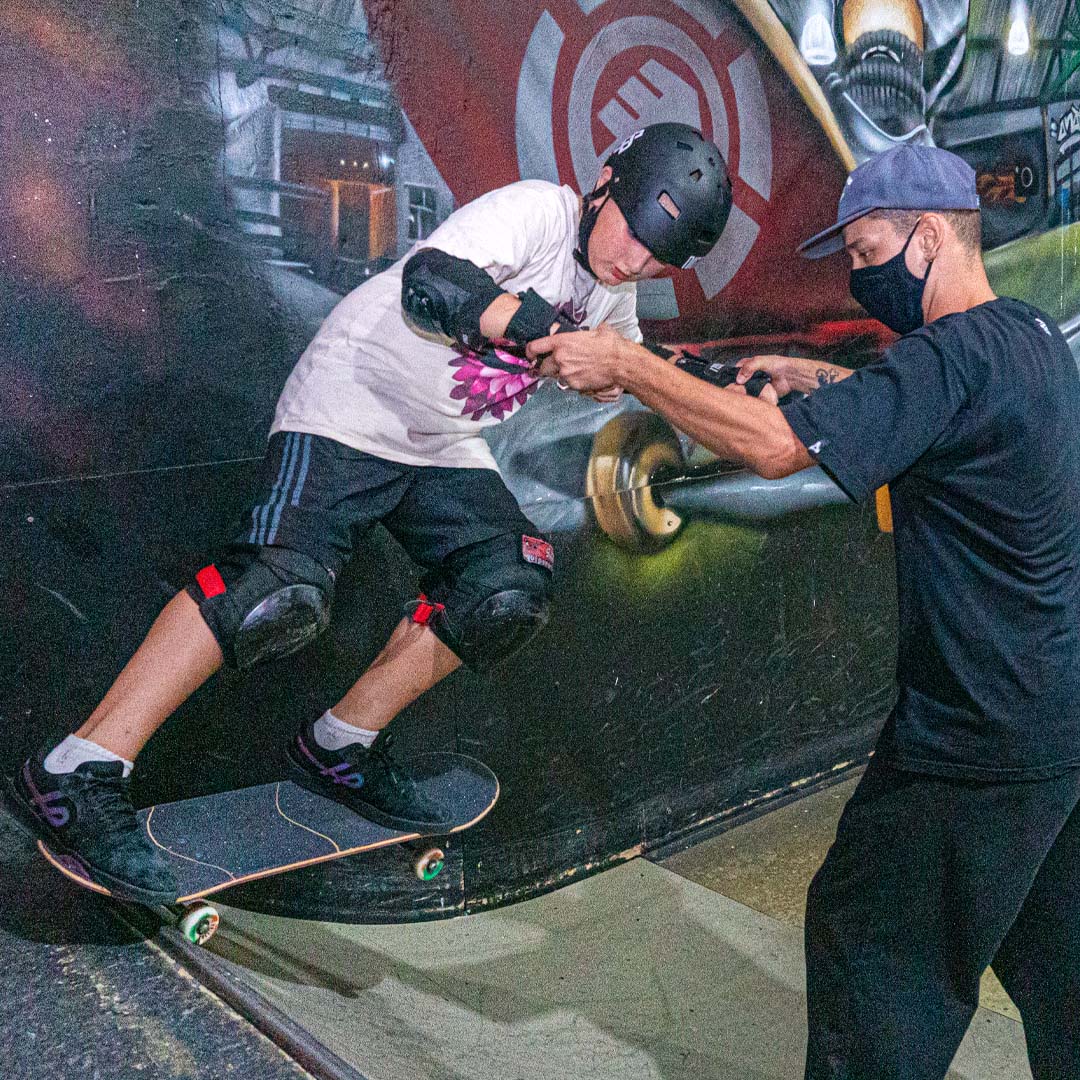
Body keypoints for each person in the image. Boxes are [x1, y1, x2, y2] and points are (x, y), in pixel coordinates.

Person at [5, 122, 733, 905]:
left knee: (506, 584)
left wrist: (729, 382)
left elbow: (631, 368)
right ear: (603, 185)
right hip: (351, 402)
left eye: (660, 257)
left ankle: (339, 746)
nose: (632, 259)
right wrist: (552, 334)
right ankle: (77, 769)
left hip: (439, 441)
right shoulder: (537, 214)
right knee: (274, 591)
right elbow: (435, 282)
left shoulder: (614, 295)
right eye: (633, 231)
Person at [531, 143, 1080, 1080]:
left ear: (929, 238)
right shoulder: (1026, 337)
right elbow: (921, 413)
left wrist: (629, 364)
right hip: (1059, 724)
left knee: (873, 948)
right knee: (1057, 960)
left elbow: (780, 453)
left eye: (868, 253)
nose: (860, 276)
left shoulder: (945, 360)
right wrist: (812, 375)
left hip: (975, 734)